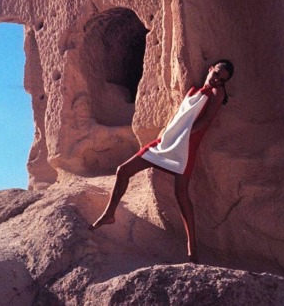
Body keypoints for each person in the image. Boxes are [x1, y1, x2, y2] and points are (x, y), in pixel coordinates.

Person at [89, 59, 234, 263]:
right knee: (123, 170)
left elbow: (207, 119)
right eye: (216, 73)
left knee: (181, 195)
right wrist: (170, 132)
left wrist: (185, 135)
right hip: (164, 143)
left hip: (185, 146)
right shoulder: (193, 90)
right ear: (210, 69)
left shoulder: (217, 94)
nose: (216, 79)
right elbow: (180, 117)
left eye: (221, 79)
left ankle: (192, 250)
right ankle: (109, 213)